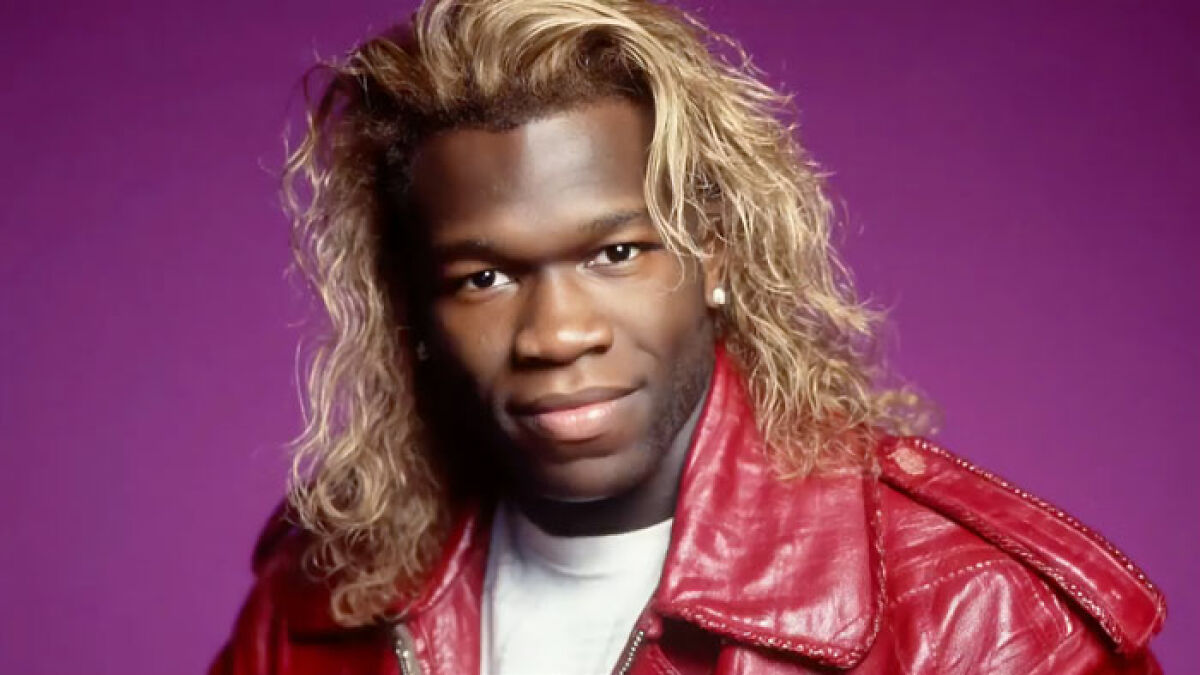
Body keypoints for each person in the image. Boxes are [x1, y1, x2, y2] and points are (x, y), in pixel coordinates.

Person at [211, 1, 1165, 673]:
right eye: (484, 277)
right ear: (413, 307)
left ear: (715, 256)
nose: (558, 333)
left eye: (617, 252)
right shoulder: (315, 598)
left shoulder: (986, 622)